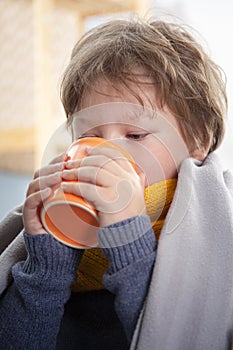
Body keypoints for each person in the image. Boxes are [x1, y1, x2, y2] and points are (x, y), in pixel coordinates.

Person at [0, 15, 233, 350]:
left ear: (197, 140)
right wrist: (46, 263)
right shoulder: (48, 230)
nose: (108, 152)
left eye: (135, 135)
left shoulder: (219, 234)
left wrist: (128, 237)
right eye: (91, 137)